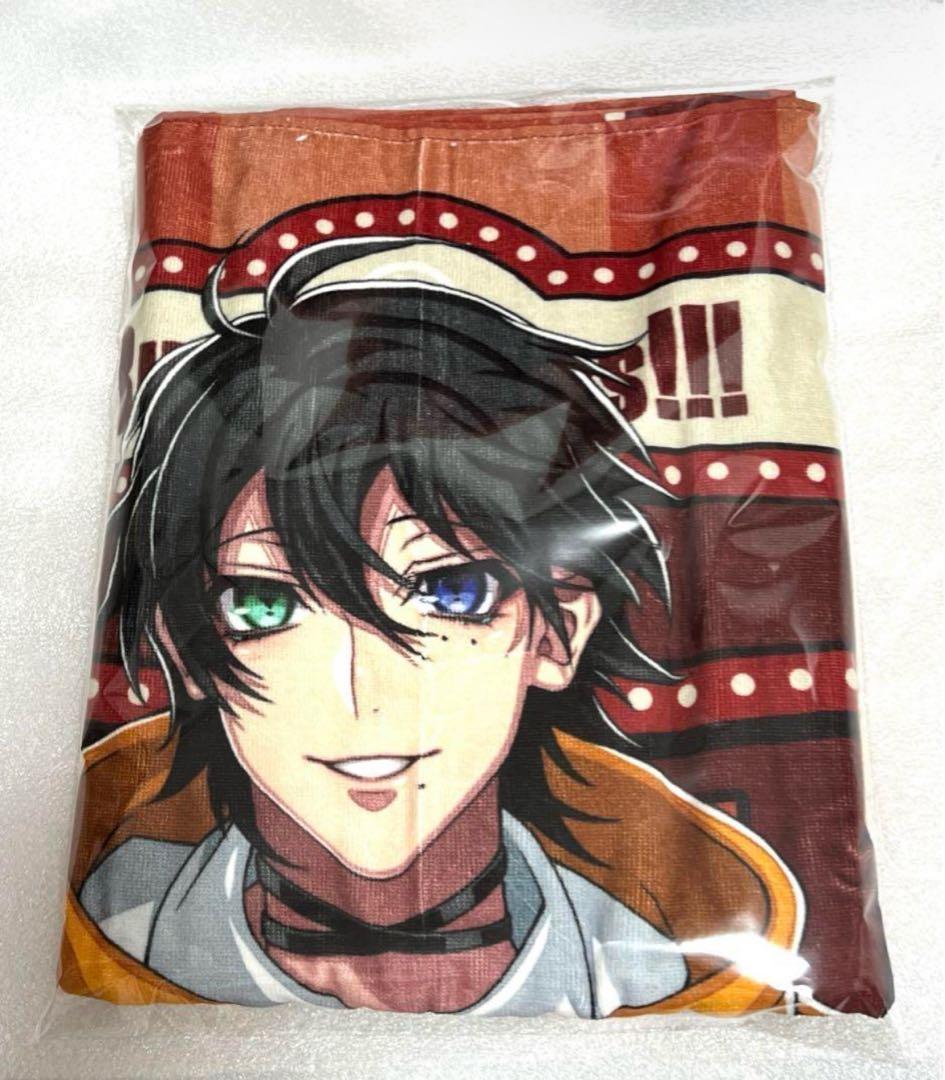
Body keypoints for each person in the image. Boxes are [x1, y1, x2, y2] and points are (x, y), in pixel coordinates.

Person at [61, 243, 806, 1016]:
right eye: (264, 606)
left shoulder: (659, 972)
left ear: (556, 632)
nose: (366, 696)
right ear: (184, 648)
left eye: (449, 591)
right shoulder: (113, 930)